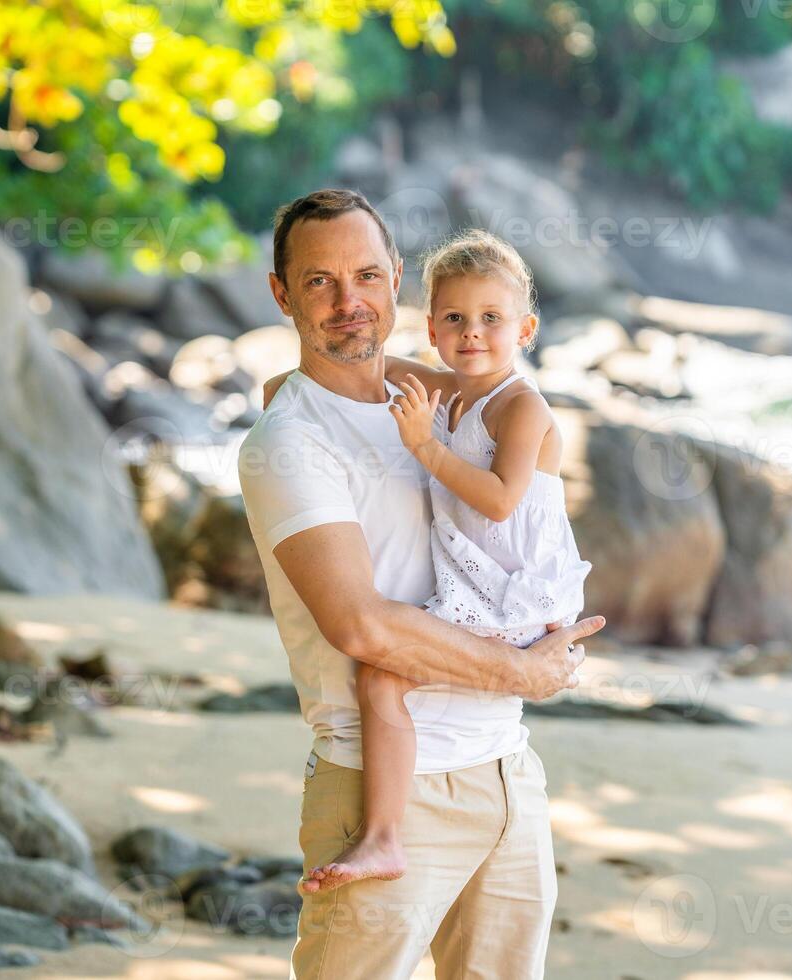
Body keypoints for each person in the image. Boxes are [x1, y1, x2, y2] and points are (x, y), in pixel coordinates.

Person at [236, 189, 604, 979]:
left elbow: (396, 376)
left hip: (505, 771)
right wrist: (526, 672)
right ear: (280, 293)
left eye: (367, 276)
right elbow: (363, 628)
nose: (349, 302)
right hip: (384, 783)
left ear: (398, 281)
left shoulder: (432, 398)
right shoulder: (289, 443)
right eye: (319, 283)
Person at [298, 228, 591, 896]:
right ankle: (384, 836)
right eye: (455, 318)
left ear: (526, 329)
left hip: (515, 597)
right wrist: (292, 380)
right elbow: (377, 367)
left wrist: (422, 446)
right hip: (482, 587)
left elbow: (496, 501)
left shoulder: (521, 406)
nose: (473, 333)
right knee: (381, 678)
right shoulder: (453, 392)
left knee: (381, 677)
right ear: (431, 328)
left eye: (493, 319)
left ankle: (382, 838)